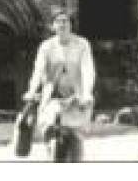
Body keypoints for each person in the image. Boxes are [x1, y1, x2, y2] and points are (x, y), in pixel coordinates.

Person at [23, 10, 96, 162]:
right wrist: (31, 90)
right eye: (59, 21)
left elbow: (88, 69)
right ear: (53, 26)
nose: (62, 24)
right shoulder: (46, 46)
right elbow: (38, 69)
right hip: (53, 95)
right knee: (50, 129)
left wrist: (87, 93)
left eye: (66, 21)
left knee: (75, 136)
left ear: (71, 25)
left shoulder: (82, 44)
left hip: (76, 95)